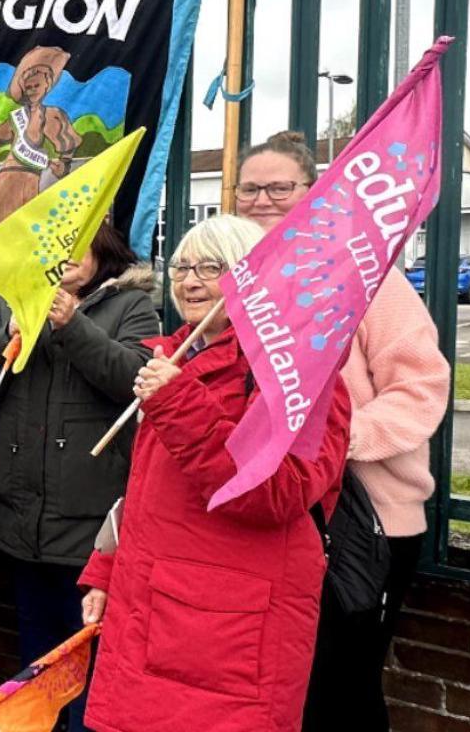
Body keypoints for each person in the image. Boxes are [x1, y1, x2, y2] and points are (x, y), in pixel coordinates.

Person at [77, 215, 352, 732]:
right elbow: (146, 495)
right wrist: (106, 572)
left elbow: (278, 491)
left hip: (228, 638)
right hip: (152, 611)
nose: (190, 279)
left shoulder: (300, 375)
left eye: (213, 266)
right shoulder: (174, 356)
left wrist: (179, 402)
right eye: (182, 265)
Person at [235, 131, 451, 732]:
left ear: (315, 193)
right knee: (286, 684)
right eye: (249, 188)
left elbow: (421, 386)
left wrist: (333, 442)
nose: (262, 200)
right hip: (281, 514)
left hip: (366, 517)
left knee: (342, 685)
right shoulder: (245, 285)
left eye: (280, 187)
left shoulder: (367, 277)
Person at [0, 220, 157, 732]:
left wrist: (73, 324)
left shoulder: (130, 303)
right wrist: (9, 332)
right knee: (37, 657)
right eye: (55, 247)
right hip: (21, 518)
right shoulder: (11, 299)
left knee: (87, 659)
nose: (65, 257)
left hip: (88, 525)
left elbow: (131, 382)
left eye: (78, 244)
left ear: (102, 248)